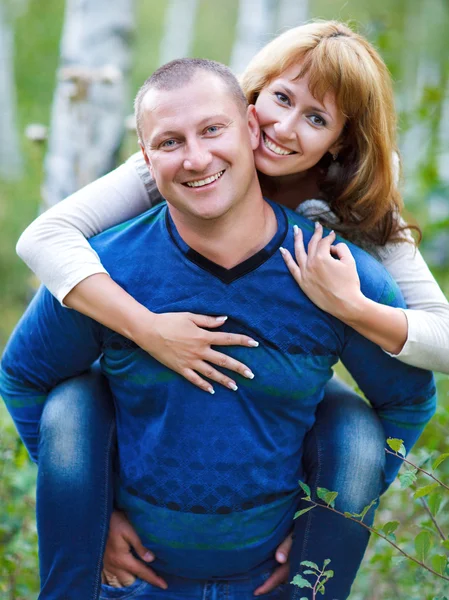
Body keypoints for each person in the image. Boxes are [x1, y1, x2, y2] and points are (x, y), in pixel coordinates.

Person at [15, 19, 449, 597]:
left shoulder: (356, 217)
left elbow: (422, 372)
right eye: (281, 99)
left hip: (268, 520)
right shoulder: (168, 169)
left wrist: (352, 307)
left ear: (340, 142)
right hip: (140, 520)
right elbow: (44, 240)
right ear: (253, 102)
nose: (283, 129)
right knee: (72, 403)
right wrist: (147, 329)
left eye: (315, 118)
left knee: (352, 429)